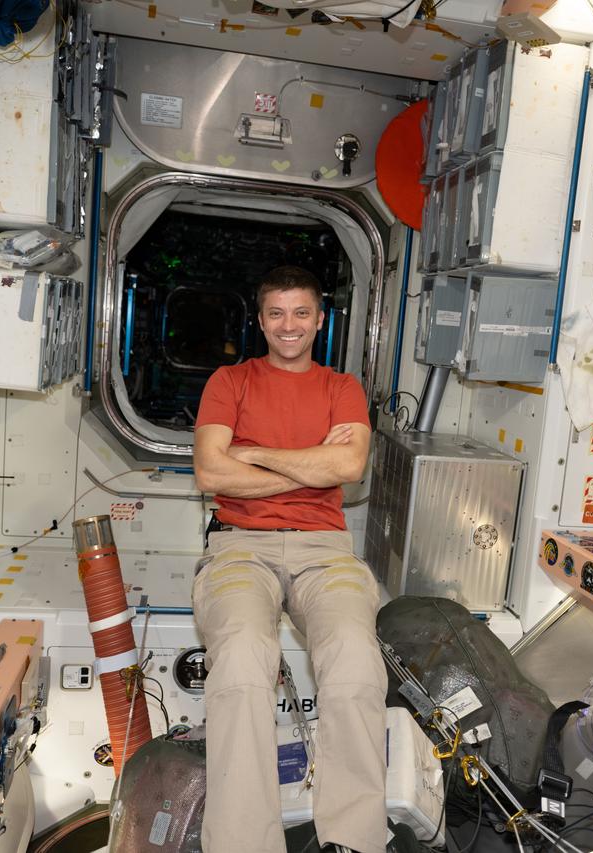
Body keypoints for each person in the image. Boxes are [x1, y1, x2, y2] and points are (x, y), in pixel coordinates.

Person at [192, 265, 387, 853]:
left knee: (355, 659)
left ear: (320, 320)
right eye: (276, 313)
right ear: (260, 321)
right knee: (241, 662)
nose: (289, 325)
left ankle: (353, 841)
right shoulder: (229, 381)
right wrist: (308, 464)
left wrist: (254, 454)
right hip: (238, 546)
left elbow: (348, 467)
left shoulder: (342, 388)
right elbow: (211, 473)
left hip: (324, 549)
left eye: (301, 312)